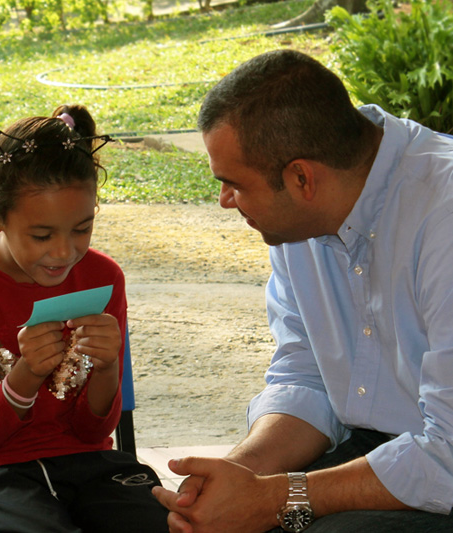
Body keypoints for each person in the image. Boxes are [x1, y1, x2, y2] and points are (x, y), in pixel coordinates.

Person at [152, 49, 453, 532]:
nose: (225, 201)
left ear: (300, 177)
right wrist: (236, 479)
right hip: (385, 456)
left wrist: (275, 498)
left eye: (233, 184)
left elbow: (447, 459)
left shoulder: (443, 213)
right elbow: (308, 378)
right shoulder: (297, 220)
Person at [0, 104, 169, 533]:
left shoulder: (102, 277)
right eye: (42, 236)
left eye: (83, 228)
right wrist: (26, 373)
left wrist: (109, 365)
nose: (64, 252)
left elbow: (93, 430)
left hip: (85, 463)